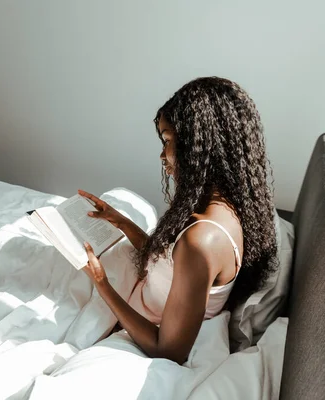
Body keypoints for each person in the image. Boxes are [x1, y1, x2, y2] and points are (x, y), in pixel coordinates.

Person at [79, 77, 277, 365]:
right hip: (139, 297)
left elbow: (169, 350)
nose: (163, 155)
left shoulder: (202, 240)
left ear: (200, 145)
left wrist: (101, 283)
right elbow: (174, 268)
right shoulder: (229, 208)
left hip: (140, 331)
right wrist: (122, 223)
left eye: (168, 140)